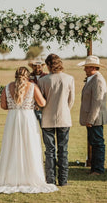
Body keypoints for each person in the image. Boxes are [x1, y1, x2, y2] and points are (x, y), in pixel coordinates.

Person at [0, 67, 58, 194]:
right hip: (27, 119)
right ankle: (29, 176)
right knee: (29, 147)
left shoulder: (8, 87)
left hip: (12, 120)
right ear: (27, 76)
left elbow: (3, 106)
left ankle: (11, 177)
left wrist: (14, 106)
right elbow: (42, 103)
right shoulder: (32, 86)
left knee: (11, 147)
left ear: (15, 75)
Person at [38, 54, 75, 186]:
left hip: (47, 118)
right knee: (63, 150)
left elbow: (41, 101)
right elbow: (71, 100)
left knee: (49, 151)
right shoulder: (69, 79)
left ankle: (51, 180)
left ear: (48, 64)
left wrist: (46, 111)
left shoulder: (43, 80)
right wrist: (64, 110)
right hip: (64, 118)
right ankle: (63, 180)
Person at [78, 55, 107, 175]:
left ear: (93, 67)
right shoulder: (93, 78)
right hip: (92, 117)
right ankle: (95, 168)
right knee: (94, 142)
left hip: (95, 118)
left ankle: (98, 169)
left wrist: (90, 119)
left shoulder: (98, 80)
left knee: (97, 143)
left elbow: (97, 102)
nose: (84, 69)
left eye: (86, 67)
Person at [28, 59, 48, 126]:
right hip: (30, 107)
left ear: (42, 66)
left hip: (43, 108)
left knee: (44, 128)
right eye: (35, 66)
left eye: (39, 66)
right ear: (32, 67)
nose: (37, 68)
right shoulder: (28, 77)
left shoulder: (47, 76)